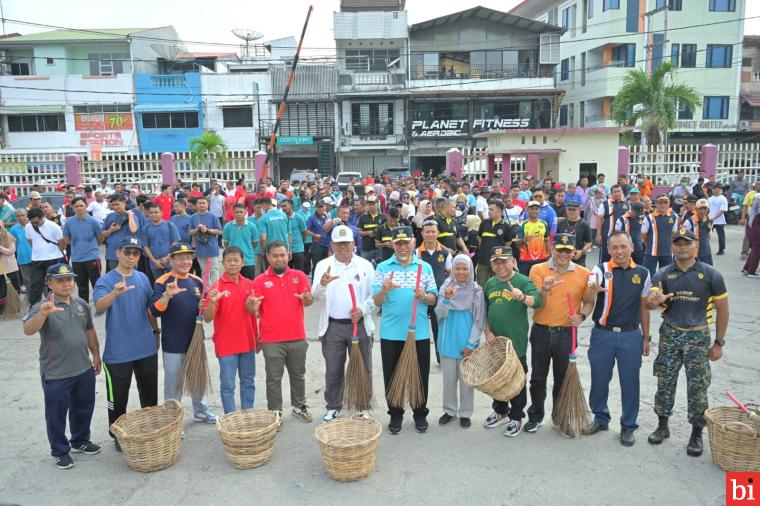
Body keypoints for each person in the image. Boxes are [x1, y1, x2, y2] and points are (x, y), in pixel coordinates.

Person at [647, 229, 729, 457]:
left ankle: (696, 433)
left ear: (696, 246)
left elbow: (723, 309)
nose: (682, 247)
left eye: (687, 243)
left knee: (698, 387)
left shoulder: (711, 274)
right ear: (672, 247)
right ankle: (662, 425)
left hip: (698, 336)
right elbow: (650, 304)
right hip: (670, 334)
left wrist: (719, 342)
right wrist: (655, 300)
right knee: (665, 380)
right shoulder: (662, 274)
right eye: (677, 243)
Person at [23, 263, 101, 469]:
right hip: (56, 372)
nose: (67, 284)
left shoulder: (81, 304)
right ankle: (59, 450)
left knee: (84, 407)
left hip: (83, 368)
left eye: (69, 279)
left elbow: (90, 331)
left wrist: (96, 355)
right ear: (49, 283)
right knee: (56, 415)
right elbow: (28, 330)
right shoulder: (42, 306)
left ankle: (80, 440)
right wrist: (43, 314)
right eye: (60, 280)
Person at [583, 232, 651, 446]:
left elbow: (644, 307)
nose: (619, 251)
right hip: (603, 335)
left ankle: (628, 425)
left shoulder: (643, 272)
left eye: (623, 246)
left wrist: (646, 338)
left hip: (631, 335)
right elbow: (587, 297)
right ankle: (600, 418)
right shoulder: (600, 270)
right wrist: (592, 291)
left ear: (632, 247)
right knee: (599, 379)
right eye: (615, 248)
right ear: (609, 250)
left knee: (630, 382)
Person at [93, 237, 158, 451]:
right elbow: (100, 307)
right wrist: (114, 293)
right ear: (118, 252)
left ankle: (149, 431)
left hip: (145, 348)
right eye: (127, 252)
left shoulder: (142, 278)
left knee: (149, 396)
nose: (131, 257)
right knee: (117, 399)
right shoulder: (106, 280)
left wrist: (155, 331)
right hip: (118, 352)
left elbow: (150, 308)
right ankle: (118, 436)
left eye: (135, 253)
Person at [525, 233, 594, 434]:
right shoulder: (538, 269)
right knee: (538, 377)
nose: (563, 254)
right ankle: (536, 416)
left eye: (567, 250)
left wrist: (581, 316)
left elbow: (589, 301)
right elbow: (537, 302)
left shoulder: (584, 273)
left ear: (574, 251)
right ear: (552, 249)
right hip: (541, 331)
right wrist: (545, 290)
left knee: (563, 379)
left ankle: (560, 417)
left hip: (566, 334)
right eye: (559, 249)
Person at [373, 226, 438, 435]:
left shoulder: (424, 267)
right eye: (398, 243)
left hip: (418, 333)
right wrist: (383, 290)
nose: (402, 247)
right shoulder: (383, 268)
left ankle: (420, 413)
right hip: (391, 333)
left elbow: (434, 298)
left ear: (413, 242)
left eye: (406, 242)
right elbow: (376, 301)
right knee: (392, 376)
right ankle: (395, 414)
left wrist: (425, 296)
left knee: (419, 375)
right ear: (392, 244)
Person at [311, 225, 375, 422]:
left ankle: (363, 406)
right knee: (333, 369)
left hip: (360, 325)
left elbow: (374, 296)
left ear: (354, 243)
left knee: (363, 368)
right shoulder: (323, 265)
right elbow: (315, 296)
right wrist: (322, 284)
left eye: (346, 243)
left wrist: (362, 310)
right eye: (338, 244)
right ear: (332, 245)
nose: (343, 247)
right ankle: (333, 406)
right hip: (333, 326)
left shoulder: (365, 265)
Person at [148, 242, 217, 422]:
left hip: (195, 339)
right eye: (180, 258)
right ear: (171, 260)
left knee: (198, 378)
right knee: (173, 383)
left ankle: (201, 411)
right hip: (173, 342)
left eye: (188, 257)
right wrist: (167, 296)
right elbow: (154, 311)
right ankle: (172, 419)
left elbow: (203, 311)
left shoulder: (197, 281)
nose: (185, 261)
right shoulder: (163, 282)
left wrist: (205, 305)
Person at [481, 246, 542, 436]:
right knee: (498, 379)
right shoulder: (490, 283)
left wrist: (522, 297)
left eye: (504, 261)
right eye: (496, 262)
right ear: (492, 264)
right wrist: (488, 331)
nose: (500, 266)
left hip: (515, 342)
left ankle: (516, 416)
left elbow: (538, 300)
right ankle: (501, 411)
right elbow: (484, 311)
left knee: (516, 381)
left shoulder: (521, 281)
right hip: (495, 343)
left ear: (513, 262)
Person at [251, 241, 313, 422]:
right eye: (275, 256)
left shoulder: (299, 276)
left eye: (282, 255)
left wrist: (307, 299)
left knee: (298, 375)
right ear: (267, 257)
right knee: (273, 378)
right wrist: (251, 306)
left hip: (297, 337)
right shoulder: (260, 281)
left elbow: (307, 302)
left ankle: (299, 406)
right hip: (271, 340)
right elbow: (252, 310)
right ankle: (275, 411)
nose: (279, 259)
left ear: (289, 256)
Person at [203, 246, 258, 414]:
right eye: (229, 261)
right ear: (222, 263)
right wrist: (212, 302)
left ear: (243, 262)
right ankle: (231, 418)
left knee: (248, 381)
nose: (233, 264)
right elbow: (207, 317)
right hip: (226, 345)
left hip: (248, 343)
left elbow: (253, 314)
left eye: (236, 260)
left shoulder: (250, 285)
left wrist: (257, 338)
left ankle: (248, 414)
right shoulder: (216, 287)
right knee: (228, 385)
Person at [435, 254, 486, 429]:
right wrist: (447, 298)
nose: (461, 272)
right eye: (458, 268)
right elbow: (439, 314)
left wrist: (471, 345)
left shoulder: (476, 291)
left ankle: (465, 413)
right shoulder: (445, 287)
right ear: (453, 269)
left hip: (467, 345)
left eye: (465, 268)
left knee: (466, 382)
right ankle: (449, 411)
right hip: (447, 342)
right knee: (448, 381)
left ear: (471, 270)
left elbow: (479, 320)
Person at [415, 220, 452, 365]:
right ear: (422, 234)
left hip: (439, 298)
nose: (430, 234)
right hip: (421, 297)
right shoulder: (416, 253)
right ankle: (419, 358)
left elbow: (450, 273)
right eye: (427, 231)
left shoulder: (445, 253)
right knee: (419, 329)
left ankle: (440, 358)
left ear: (437, 233)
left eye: (433, 231)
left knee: (440, 329)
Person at [61, 197, 102, 303]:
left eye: (81, 205)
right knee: (81, 285)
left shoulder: (93, 221)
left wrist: (92, 246)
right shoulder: (69, 222)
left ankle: (99, 303)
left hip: (92, 257)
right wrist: (77, 245)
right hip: (77, 259)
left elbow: (100, 237)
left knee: (97, 283)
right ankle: (84, 305)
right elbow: (66, 238)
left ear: (86, 206)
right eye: (76, 206)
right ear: (72, 208)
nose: (79, 208)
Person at [25, 208, 65, 306]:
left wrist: (56, 253)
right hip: (37, 259)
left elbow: (62, 243)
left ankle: (56, 305)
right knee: (35, 285)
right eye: (32, 222)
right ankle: (34, 309)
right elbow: (30, 241)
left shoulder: (54, 226)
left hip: (53, 259)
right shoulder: (28, 226)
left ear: (43, 217)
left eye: (37, 222)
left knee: (54, 284)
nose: (35, 224)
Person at [476, 199, 514, 287]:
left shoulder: (506, 226)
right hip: (483, 260)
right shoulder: (484, 223)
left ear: (499, 211)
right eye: (488, 209)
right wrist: (484, 249)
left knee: (496, 285)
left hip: (498, 262)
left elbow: (508, 243)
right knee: (481, 285)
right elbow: (479, 237)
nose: (488, 212)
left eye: (491, 209)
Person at [101, 194, 139, 272]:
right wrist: (110, 230)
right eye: (113, 205)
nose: (115, 207)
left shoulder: (132, 216)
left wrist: (130, 214)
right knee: (115, 277)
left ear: (124, 203)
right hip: (112, 253)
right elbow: (103, 233)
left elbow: (133, 229)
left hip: (128, 253)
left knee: (130, 276)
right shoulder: (109, 216)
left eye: (117, 204)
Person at [641, 195, 678, 275]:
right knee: (649, 274)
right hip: (651, 251)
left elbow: (673, 233)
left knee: (667, 274)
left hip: (667, 251)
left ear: (669, 203)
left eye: (666, 202)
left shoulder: (674, 217)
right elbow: (643, 234)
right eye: (660, 202)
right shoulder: (649, 217)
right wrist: (650, 244)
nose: (663, 205)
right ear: (656, 204)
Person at [142, 202, 181, 279]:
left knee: (173, 283)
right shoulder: (146, 228)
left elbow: (175, 243)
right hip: (155, 263)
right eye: (151, 212)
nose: (153, 214)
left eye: (156, 212)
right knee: (160, 285)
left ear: (161, 213)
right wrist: (154, 260)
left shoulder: (170, 225)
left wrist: (167, 258)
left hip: (171, 261)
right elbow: (145, 246)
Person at [189, 196, 223, 284]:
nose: (201, 205)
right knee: (204, 272)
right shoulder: (192, 217)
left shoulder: (213, 216)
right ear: (196, 205)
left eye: (204, 203)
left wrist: (208, 230)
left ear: (208, 204)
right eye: (199, 203)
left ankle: (215, 288)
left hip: (212, 248)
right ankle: (206, 290)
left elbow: (219, 231)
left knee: (214, 270)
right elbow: (190, 233)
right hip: (200, 249)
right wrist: (197, 229)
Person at [222, 204, 259, 280]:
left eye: (241, 212)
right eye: (236, 212)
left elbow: (255, 243)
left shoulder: (252, 226)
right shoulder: (227, 226)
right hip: (233, 262)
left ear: (245, 213)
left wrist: (247, 249)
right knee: (232, 284)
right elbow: (226, 243)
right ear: (233, 213)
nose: (239, 214)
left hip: (248, 261)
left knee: (248, 284)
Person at [596, 185, 630, 263]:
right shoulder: (604, 204)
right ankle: (604, 273)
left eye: (619, 191)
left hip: (622, 236)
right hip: (607, 235)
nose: (617, 193)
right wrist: (598, 234)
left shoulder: (627, 204)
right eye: (615, 192)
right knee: (605, 257)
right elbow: (599, 220)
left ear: (622, 192)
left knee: (621, 256)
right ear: (611, 193)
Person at [514, 201, 550, 275]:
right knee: (525, 282)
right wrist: (523, 240)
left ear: (539, 210)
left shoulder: (544, 224)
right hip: (525, 260)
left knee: (539, 282)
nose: (534, 211)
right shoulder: (522, 225)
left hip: (541, 260)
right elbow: (516, 244)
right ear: (527, 210)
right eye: (532, 209)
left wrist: (548, 254)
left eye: (536, 209)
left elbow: (546, 241)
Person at [556, 202, 592, 266]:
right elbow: (556, 240)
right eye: (569, 209)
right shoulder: (561, 223)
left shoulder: (584, 225)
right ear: (566, 210)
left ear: (579, 211)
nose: (571, 212)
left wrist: (581, 251)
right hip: (563, 256)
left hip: (578, 258)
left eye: (574, 210)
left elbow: (589, 242)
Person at [282, 199, 307, 273]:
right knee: (287, 273)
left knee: (299, 272)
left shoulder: (299, 218)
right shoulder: (282, 218)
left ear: (291, 206)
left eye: (285, 206)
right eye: (282, 206)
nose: (283, 208)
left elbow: (304, 232)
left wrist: (301, 243)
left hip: (298, 250)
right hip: (286, 251)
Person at [10, 208, 32, 291]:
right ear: (16, 217)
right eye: (18, 216)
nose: (21, 217)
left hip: (36, 256)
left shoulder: (33, 225)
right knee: (28, 281)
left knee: (40, 280)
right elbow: (13, 244)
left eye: (23, 215)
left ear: (27, 215)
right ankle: (33, 302)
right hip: (23, 257)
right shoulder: (14, 229)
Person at [0, 221, 21, 302]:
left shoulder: (8, 236)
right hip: (1, 271)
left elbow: (11, 251)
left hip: (11, 269)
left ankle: (15, 306)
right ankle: (4, 309)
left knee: (15, 288)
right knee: (3, 292)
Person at [357, 195, 382, 262]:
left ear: (377, 204)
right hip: (366, 248)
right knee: (365, 269)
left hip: (379, 248)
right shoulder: (363, 217)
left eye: (373, 204)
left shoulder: (383, 217)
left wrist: (377, 233)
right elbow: (358, 232)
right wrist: (367, 233)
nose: (371, 206)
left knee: (379, 268)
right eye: (369, 204)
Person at [741, 194, 760, 278]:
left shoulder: (752, 212)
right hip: (757, 235)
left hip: (753, 234)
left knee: (753, 251)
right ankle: (751, 271)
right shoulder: (758, 214)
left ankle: (746, 268)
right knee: (756, 252)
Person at [707, 184, 728, 255]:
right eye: (712, 188)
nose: (712, 190)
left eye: (714, 188)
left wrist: (714, 218)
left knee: (721, 236)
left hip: (720, 221)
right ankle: (705, 248)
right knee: (706, 234)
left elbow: (722, 210)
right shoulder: (710, 199)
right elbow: (707, 209)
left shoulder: (723, 199)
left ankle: (721, 250)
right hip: (710, 220)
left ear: (719, 189)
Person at [694, 199, 714, 265]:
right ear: (696, 209)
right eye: (700, 208)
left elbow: (709, 235)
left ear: (708, 209)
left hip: (707, 252)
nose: (702, 211)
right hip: (695, 254)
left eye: (704, 208)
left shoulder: (709, 220)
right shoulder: (690, 221)